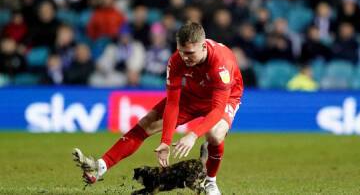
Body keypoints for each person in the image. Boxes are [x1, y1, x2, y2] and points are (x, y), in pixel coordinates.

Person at [73, 22, 244, 195]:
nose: (185, 57)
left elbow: (217, 109)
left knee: (214, 134)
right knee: (146, 123)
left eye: (190, 53)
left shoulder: (221, 63)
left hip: (226, 98)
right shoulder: (177, 60)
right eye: (181, 51)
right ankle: (101, 166)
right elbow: (172, 104)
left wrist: (193, 135)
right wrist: (165, 141)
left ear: (203, 45)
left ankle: (210, 182)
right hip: (191, 96)